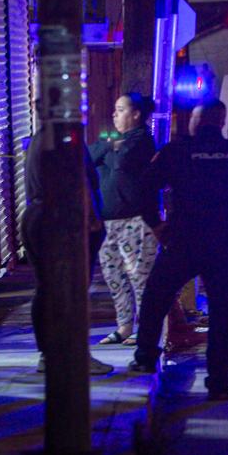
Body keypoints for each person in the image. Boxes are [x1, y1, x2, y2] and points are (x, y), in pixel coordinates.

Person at [128, 101, 228, 400]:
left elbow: (143, 188)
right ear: (221, 121)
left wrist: (156, 224)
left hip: (183, 240)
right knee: (223, 315)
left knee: (156, 295)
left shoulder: (177, 151)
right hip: (225, 243)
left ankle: (143, 358)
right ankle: (219, 384)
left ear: (196, 122)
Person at [21, 118, 113, 376]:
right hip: (63, 221)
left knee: (48, 289)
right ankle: (73, 355)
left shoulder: (41, 136)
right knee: (70, 291)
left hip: (38, 216)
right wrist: (93, 219)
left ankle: (49, 355)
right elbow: (79, 180)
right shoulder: (64, 137)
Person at [91, 93, 161, 345]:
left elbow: (121, 161)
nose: (114, 114)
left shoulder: (142, 140)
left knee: (139, 277)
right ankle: (123, 326)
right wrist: (109, 146)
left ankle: (145, 329)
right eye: (115, 109)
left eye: (120, 110)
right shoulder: (115, 140)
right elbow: (90, 156)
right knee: (113, 274)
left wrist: (107, 152)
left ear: (136, 114)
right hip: (107, 222)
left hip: (136, 221)